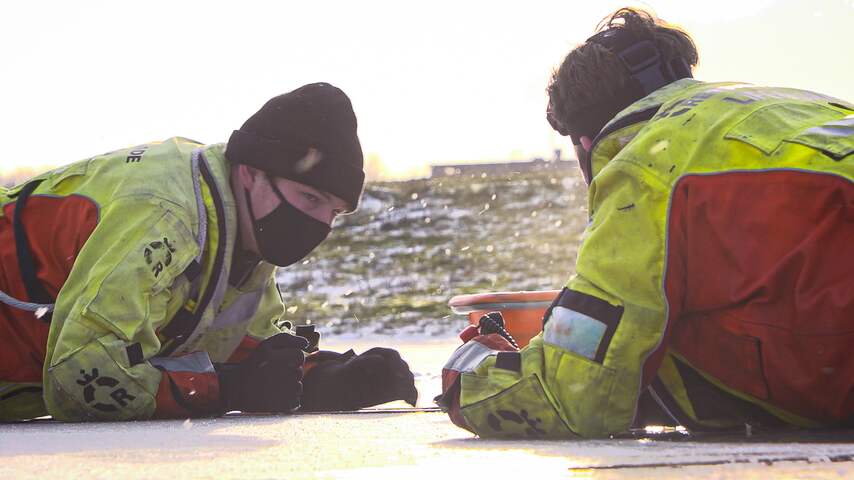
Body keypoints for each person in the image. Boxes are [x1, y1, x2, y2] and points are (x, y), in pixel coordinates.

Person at [438, 8, 854, 438]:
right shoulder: (798, 105)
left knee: (645, 346)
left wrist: (468, 374)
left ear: (585, 142)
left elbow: (571, 394)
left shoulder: (646, 163)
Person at [0, 82, 417, 421]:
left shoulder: (241, 233)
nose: (320, 225)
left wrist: (327, 379)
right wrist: (229, 389)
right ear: (253, 172)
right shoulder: (165, 215)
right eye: (310, 199)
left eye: (335, 212)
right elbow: (81, 377)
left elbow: (242, 349)